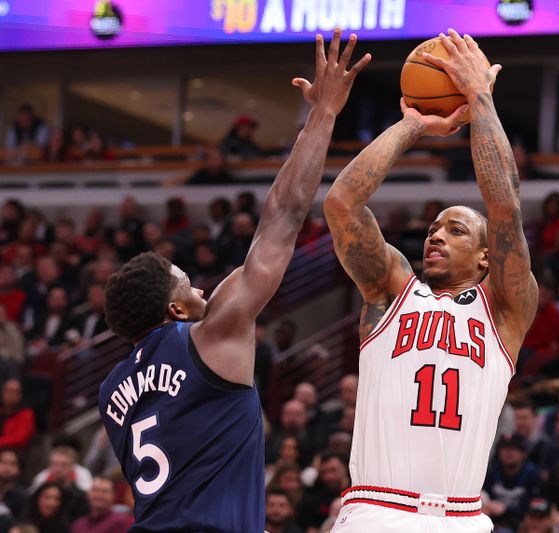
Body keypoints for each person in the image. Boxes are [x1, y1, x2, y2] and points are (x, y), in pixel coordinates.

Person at [97, 30, 370, 532]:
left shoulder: (110, 390)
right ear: (174, 310)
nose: (199, 287)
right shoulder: (212, 334)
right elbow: (284, 216)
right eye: (185, 283)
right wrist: (324, 113)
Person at [323, 30, 537, 532]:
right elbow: (341, 204)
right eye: (433, 228)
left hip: (461, 518)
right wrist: (412, 125)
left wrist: (481, 98)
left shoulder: (506, 309)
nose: (435, 236)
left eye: (455, 229)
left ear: (488, 256)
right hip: (375, 511)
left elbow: (504, 204)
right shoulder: (391, 293)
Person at [483, 434, 543, 530]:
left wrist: (506, 509)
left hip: (520, 523)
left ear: (524, 453)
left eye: (513, 449)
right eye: (504, 448)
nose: (508, 453)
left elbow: (535, 507)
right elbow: (484, 494)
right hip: (493, 521)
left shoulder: (532, 474)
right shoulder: (493, 470)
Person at [69, 476, 134, 533]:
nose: (99, 495)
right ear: (87, 494)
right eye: (95, 490)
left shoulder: (124, 522)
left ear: (114, 495)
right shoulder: (78, 525)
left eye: (105, 491)